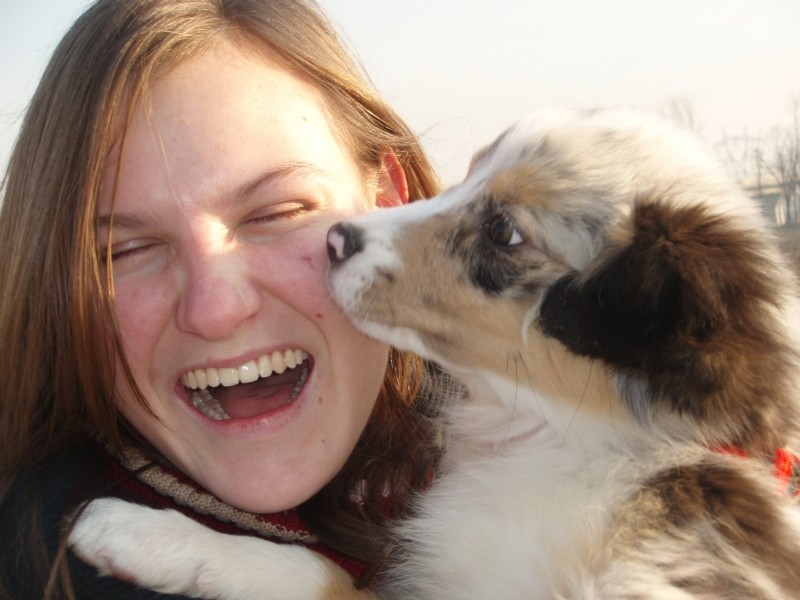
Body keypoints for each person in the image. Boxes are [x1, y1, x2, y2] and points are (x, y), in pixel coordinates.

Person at [0, 1, 452, 598]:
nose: (215, 310)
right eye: (125, 251)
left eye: (277, 213)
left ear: (390, 206)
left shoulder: (574, 424)